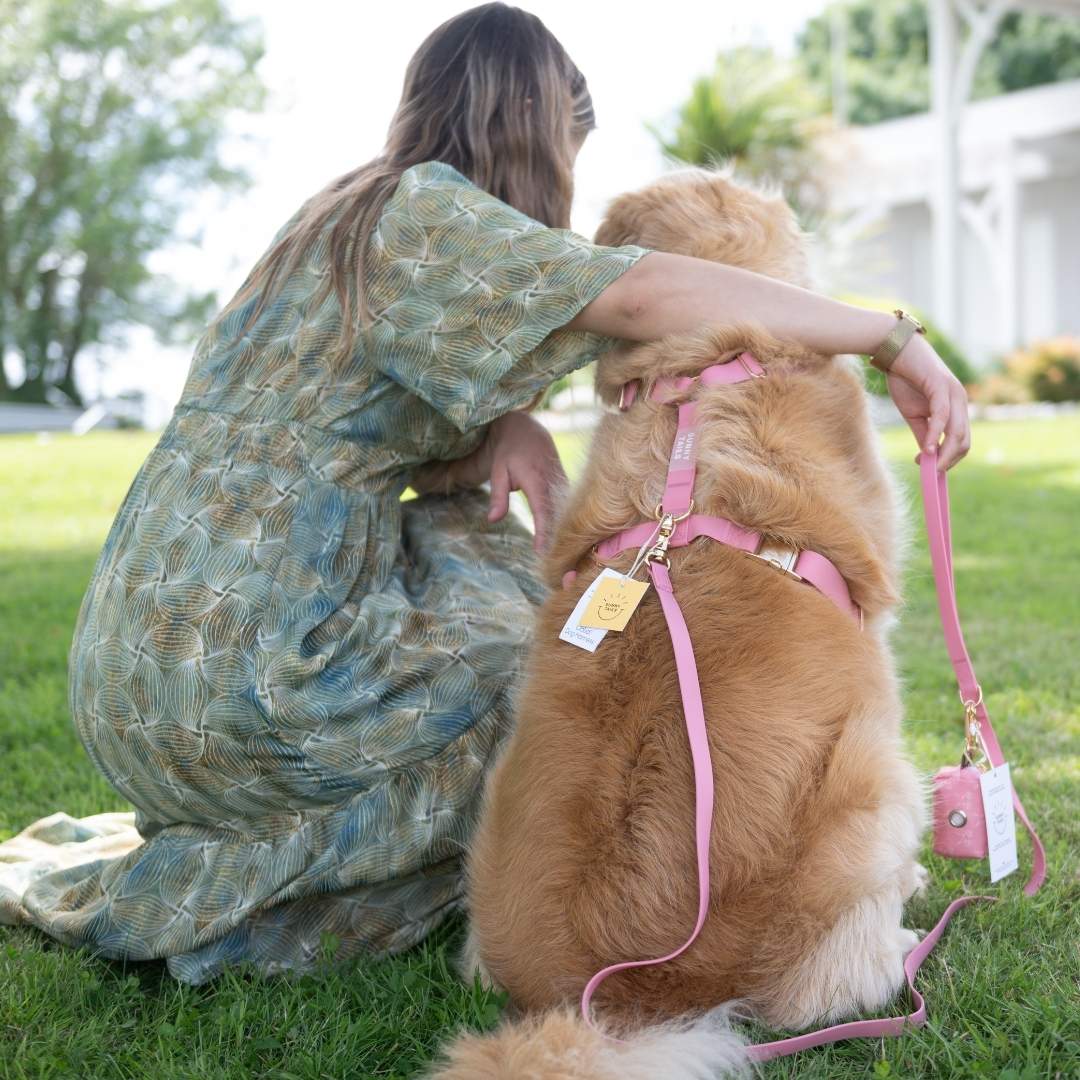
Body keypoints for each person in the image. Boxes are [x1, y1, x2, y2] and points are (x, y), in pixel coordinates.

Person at [0, 3, 969, 983]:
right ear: (539, 130)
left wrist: (503, 424)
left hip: (138, 658)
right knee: (561, 666)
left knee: (523, 586)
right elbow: (634, 293)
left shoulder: (339, 218)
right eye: (570, 152)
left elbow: (330, 435)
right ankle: (319, 908)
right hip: (246, 672)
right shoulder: (428, 211)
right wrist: (885, 337)